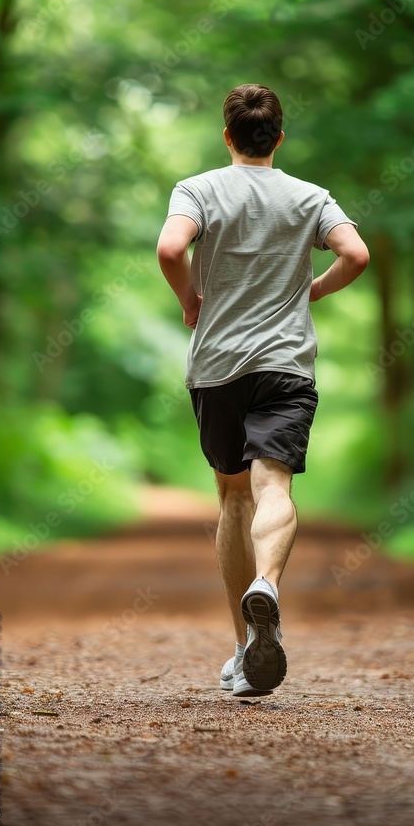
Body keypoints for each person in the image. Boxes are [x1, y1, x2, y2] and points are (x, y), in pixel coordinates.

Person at [157, 83, 369, 697]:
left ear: (228, 136)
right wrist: (316, 291)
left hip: (218, 365)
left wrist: (188, 298)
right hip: (286, 366)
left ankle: (244, 650)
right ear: (277, 138)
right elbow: (356, 254)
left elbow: (172, 246)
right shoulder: (311, 197)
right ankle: (268, 586)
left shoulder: (198, 189)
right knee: (274, 483)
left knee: (231, 497)